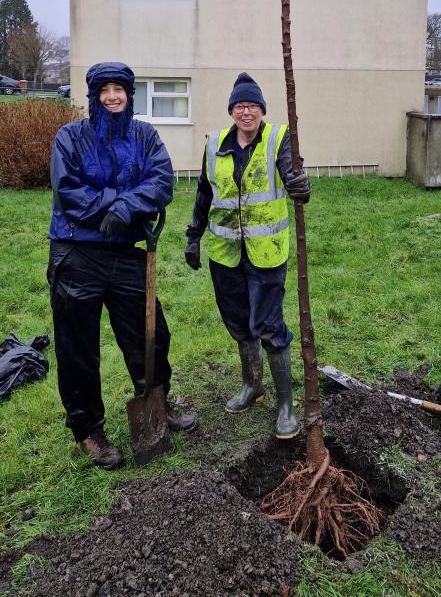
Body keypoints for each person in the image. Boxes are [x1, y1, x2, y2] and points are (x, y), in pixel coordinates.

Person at [48, 61, 197, 469]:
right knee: (78, 347)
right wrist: (115, 204)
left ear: (130, 95)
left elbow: (161, 181)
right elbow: (67, 193)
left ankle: (157, 399)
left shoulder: (145, 136)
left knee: (151, 334)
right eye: (105, 89)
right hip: (76, 252)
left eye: (120, 89)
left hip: (126, 252)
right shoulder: (70, 138)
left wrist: (127, 206)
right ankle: (88, 430)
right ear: (93, 95)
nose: (113, 96)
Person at [184, 72, 311, 440]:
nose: (246, 112)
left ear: (261, 110)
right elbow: (204, 195)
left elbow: (293, 178)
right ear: (231, 111)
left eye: (252, 105)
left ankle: (286, 406)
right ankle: (252, 385)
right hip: (225, 253)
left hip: (266, 253)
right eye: (240, 106)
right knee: (239, 323)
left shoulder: (277, 138)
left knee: (268, 325)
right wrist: (194, 237)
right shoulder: (214, 144)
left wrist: (302, 187)